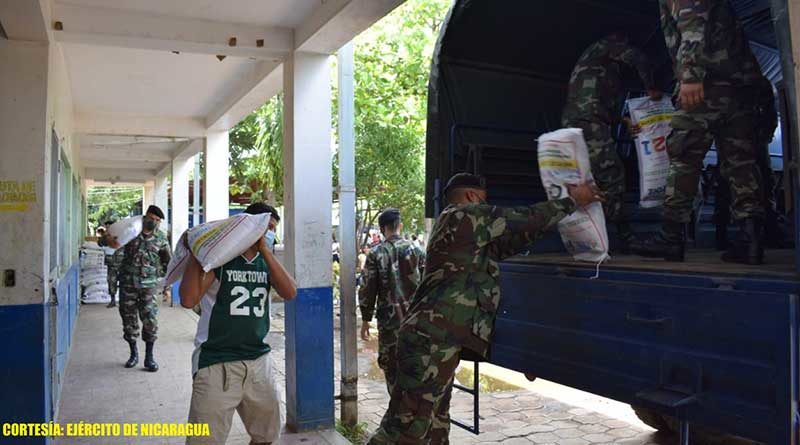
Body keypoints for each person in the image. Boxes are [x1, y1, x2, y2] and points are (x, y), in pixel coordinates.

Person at [367, 173, 603, 444]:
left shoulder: (465, 231)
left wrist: (556, 217)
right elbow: (520, 217)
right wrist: (572, 200)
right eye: (484, 199)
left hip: (437, 341)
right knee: (404, 429)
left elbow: (512, 239)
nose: (486, 205)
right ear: (471, 196)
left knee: (435, 427)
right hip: (429, 341)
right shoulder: (463, 215)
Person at [631, 0, 766, 264]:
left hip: (707, 85)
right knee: (741, 162)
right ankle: (751, 241)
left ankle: (671, 238)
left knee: (683, 155)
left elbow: (692, 22)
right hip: (739, 88)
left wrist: (690, 75)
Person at [179, 203, 296, 445]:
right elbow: (188, 299)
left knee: (266, 435)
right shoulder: (221, 258)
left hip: (258, 362)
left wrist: (265, 250)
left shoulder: (266, 263)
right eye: (267, 227)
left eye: (273, 228)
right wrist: (196, 252)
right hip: (217, 363)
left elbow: (290, 292)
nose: (270, 233)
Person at [562, 32, 661, 251]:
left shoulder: (601, 66)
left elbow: (596, 100)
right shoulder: (605, 46)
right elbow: (638, 58)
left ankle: (588, 235)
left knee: (591, 179)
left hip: (585, 121)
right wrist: (651, 86)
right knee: (612, 174)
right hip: (587, 122)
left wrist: (623, 120)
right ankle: (624, 237)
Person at [359, 208, 425, 395]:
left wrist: (366, 319)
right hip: (416, 323)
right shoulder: (417, 251)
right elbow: (429, 285)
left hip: (390, 324)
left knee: (392, 370)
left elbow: (367, 289)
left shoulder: (375, 254)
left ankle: (397, 413)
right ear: (400, 226)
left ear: (382, 229)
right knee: (415, 368)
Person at [115, 205, 171, 372]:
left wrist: (168, 287)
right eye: (151, 218)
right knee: (128, 319)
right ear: (145, 217)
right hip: (128, 284)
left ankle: (149, 357)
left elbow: (169, 263)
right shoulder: (130, 233)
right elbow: (113, 245)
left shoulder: (161, 238)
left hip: (149, 287)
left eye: (157, 220)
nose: (153, 222)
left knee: (150, 320)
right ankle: (133, 354)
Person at [98, 220, 125, 309]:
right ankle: (112, 300)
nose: (108, 228)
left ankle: (122, 301)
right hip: (111, 264)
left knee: (123, 283)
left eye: (110, 226)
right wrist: (106, 235)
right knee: (111, 282)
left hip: (122, 264)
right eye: (107, 227)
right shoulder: (105, 237)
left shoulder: (121, 235)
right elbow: (100, 243)